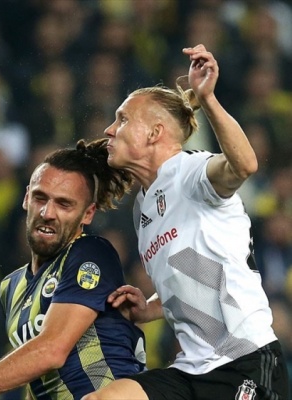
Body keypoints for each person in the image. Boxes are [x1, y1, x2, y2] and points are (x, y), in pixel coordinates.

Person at [82, 44, 289, 400]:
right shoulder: (143, 207)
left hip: (244, 361)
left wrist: (207, 99)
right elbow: (196, 270)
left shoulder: (189, 170)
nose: (109, 129)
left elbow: (245, 166)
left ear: (154, 132)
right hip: (190, 369)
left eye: (123, 119)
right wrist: (150, 307)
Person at [0, 138, 145, 400]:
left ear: (88, 214)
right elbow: (38, 379)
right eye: (40, 198)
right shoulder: (10, 287)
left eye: (64, 204)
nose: (48, 212)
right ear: (26, 198)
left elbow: (51, 350)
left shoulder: (90, 254)